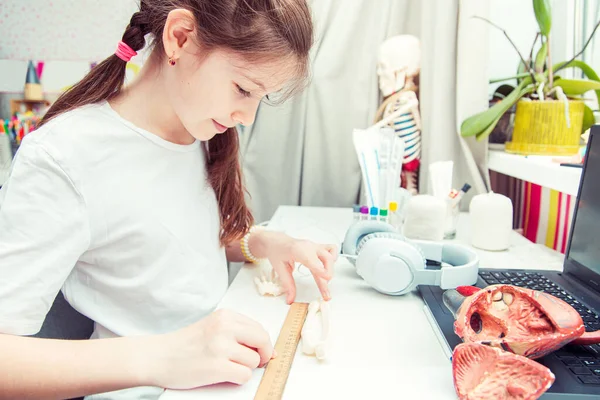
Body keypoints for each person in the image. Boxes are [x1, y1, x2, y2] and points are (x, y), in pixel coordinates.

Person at [0, 1, 338, 399]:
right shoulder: (65, 156)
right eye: (244, 89)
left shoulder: (196, 129)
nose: (247, 116)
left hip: (214, 379)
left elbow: (167, 240)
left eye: (259, 98)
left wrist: (262, 241)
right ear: (179, 38)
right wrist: (165, 357)